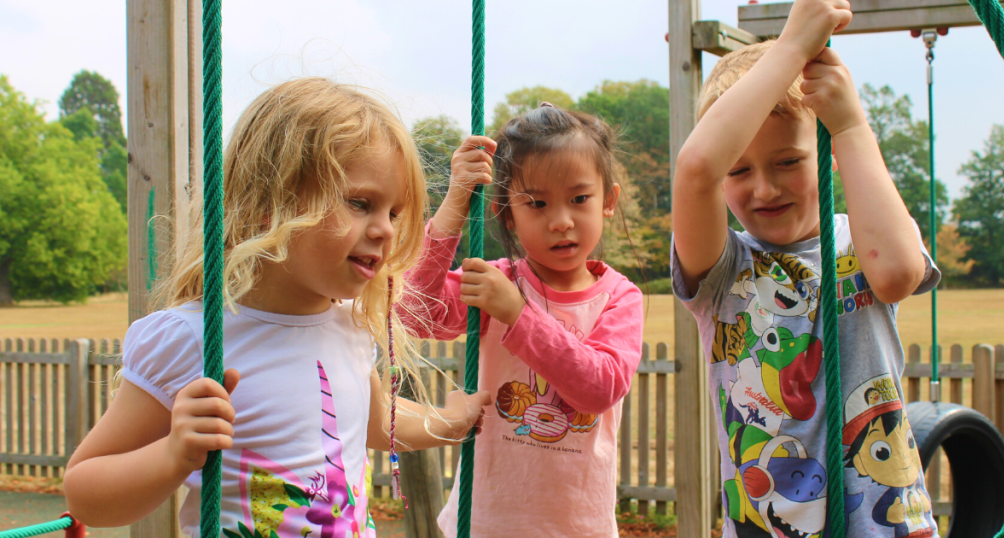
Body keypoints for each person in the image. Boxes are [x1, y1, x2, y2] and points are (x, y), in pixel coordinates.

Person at [63, 78, 491, 538]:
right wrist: (172, 454)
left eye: (393, 213)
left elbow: (374, 419)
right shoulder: (193, 340)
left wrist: (451, 420)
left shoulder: (351, 327)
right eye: (361, 203)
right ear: (271, 203)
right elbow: (86, 492)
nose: (385, 230)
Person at [670, 0, 940, 536]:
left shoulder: (863, 234)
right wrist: (792, 47)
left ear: (828, 154)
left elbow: (896, 276)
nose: (764, 189)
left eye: (788, 162)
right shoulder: (724, 267)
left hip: (887, 524)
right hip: (771, 522)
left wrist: (850, 123)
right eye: (739, 169)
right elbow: (697, 167)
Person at [403, 103, 645, 537]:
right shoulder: (496, 282)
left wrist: (516, 313)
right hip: (489, 519)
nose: (561, 221)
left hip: (577, 525)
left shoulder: (619, 298)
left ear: (608, 200)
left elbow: (600, 387)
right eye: (537, 203)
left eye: (579, 198)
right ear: (508, 214)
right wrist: (456, 202)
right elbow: (412, 311)